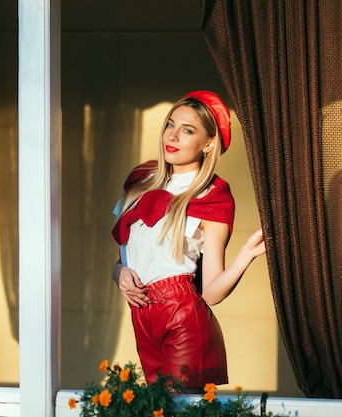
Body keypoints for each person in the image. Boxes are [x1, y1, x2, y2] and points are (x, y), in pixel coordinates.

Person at [111, 90, 266, 390]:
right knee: (154, 408)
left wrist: (246, 254)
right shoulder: (139, 181)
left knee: (175, 409)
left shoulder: (213, 197)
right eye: (171, 124)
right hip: (142, 315)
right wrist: (118, 273)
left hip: (181, 316)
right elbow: (124, 258)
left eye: (188, 130)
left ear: (208, 144)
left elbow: (210, 292)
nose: (173, 135)